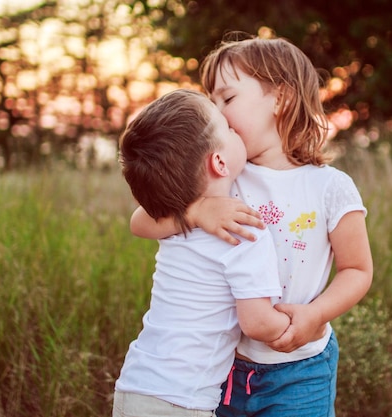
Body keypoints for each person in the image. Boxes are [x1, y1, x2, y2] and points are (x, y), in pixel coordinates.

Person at [130, 34, 374, 417]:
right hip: (227, 366)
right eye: (211, 101)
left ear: (281, 98)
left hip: (301, 368)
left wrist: (316, 314)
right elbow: (141, 221)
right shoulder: (223, 179)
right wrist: (197, 212)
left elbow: (357, 269)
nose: (217, 113)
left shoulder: (330, 187)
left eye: (227, 98)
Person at [113, 88, 293, 417]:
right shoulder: (242, 227)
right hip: (181, 402)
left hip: (134, 388)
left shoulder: (174, 220)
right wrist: (304, 322)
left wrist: (195, 212)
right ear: (220, 162)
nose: (235, 128)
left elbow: (139, 221)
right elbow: (256, 323)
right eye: (228, 128)